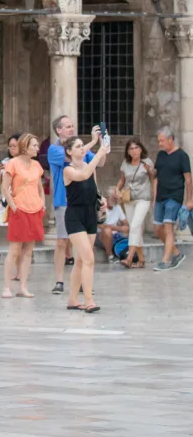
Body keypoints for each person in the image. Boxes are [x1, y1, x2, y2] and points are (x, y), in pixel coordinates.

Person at [47, 117, 104, 295]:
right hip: (64, 201)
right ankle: (59, 280)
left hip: (84, 202)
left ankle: (81, 282)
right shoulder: (54, 149)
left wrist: (102, 145)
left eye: (73, 126)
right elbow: (71, 154)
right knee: (62, 241)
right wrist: (93, 143)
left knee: (85, 246)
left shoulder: (79, 148)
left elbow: (99, 163)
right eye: (68, 127)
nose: (72, 129)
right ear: (59, 130)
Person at [63, 136, 109, 313]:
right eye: (78, 146)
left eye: (83, 146)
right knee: (89, 258)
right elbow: (82, 176)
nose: (82, 149)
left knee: (82, 260)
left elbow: (94, 189)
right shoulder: (68, 170)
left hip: (90, 214)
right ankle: (89, 300)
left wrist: (102, 199)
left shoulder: (90, 169)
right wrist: (99, 153)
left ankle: (72, 299)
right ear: (69, 151)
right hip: (74, 215)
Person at [1, 133, 45, 299]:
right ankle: (6, 287)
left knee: (28, 251)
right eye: (34, 145)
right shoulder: (12, 164)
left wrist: (42, 204)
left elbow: (39, 187)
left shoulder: (37, 166)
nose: (37, 148)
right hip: (19, 210)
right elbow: (5, 188)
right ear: (25, 147)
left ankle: (23, 286)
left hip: (35, 210)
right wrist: (14, 207)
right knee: (14, 249)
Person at [152, 126, 192, 271]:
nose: (160, 144)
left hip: (174, 196)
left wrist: (189, 200)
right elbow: (155, 175)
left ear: (171, 139)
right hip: (160, 196)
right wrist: (149, 170)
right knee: (157, 229)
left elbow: (188, 179)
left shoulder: (182, 156)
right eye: (159, 141)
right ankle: (177, 254)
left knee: (168, 227)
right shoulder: (161, 155)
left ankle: (164, 261)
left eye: (162, 141)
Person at [117, 139, 155, 269]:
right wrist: (117, 192)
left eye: (136, 148)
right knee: (135, 228)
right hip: (129, 199)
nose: (134, 151)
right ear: (128, 151)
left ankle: (129, 258)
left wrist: (154, 197)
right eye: (131, 149)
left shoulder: (147, 162)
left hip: (143, 198)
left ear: (141, 149)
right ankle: (142, 260)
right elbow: (122, 180)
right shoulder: (125, 163)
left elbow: (154, 178)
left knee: (135, 226)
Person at [96, 188, 129, 262]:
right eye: (114, 198)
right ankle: (110, 256)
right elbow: (101, 225)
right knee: (107, 230)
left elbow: (126, 225)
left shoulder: (118, 207)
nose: (116, 200)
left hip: (115, 235)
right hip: (100, 235)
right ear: (107, 197)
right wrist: (119, 228)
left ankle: (127, 254)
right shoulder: (100, 206)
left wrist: (123, 229)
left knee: (130, 230)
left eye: (117, 198)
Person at [0, 134, 20, 225]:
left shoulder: (23, 162)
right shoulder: (5, 161)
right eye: (10, 146)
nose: (12, 148)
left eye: (14, 146)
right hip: (6, 198)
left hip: (19, 196)